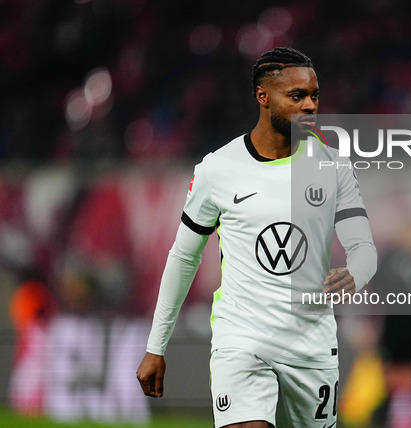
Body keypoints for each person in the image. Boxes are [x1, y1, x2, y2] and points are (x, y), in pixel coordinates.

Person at [136, 47, 377, 428]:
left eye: (314, 95)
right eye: (297, 96)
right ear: (263, 97)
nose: (311, 105)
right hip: (242, 340)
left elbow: (363, 247)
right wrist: (156, 346)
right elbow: (184, 256)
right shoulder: (218, 169)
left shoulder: (334, 167)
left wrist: (356, 273)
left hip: (310, 345)